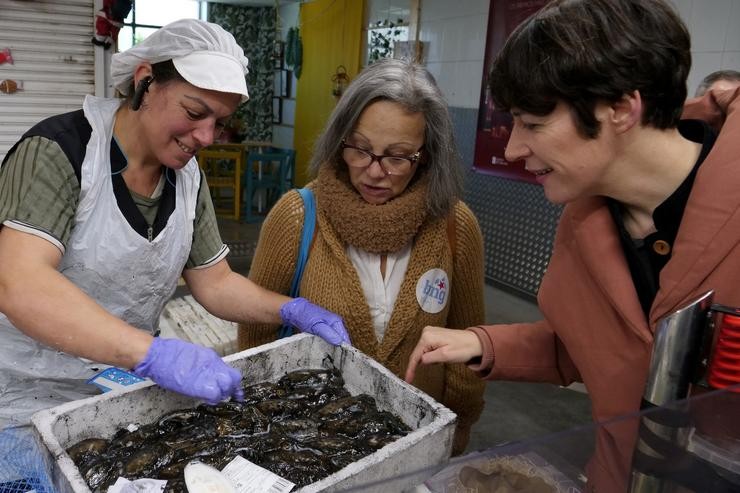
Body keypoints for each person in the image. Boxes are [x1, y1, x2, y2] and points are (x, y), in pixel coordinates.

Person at [404, 0, 740, 491]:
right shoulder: (585, 223)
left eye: (534, 124)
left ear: (621, 108)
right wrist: (483, 341)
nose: (514, 148)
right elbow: (597, 347)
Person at [0, 18, 350, 429]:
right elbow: (18, 283)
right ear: (145, 82)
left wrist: (291, 309)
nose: (206, 136)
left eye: (219, 122)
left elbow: (215, 282)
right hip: (22, 398)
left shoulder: (186, 176)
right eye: (195, 112)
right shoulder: (61, 151)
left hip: (117, 386)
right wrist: (152, 353)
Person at [238, 58, 486, 456]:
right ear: (340, 141)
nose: (374, 171)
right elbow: (254, 338)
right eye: (360, 150)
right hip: (309, 446)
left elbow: (468, 344)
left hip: (416, 443)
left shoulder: (454, 226)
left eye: (397, 157)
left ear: (427, 155)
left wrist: (457, 427)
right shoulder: (298, 217)